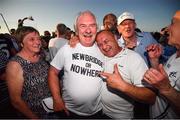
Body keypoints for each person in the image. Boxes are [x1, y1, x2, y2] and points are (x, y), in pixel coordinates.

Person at [48, 10, 104, 119]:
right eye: (83, 26)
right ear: (76, 30)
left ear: (96, 29)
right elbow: (52, 72)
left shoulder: (104, 50)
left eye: (92, 25)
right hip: (69, 112)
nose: (88, 30)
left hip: (97, 113)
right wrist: (57, 99)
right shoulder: (67, 48)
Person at [95, 30, 156, 119]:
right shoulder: (100, 56)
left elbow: (150, 96)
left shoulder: (133, 58)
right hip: (99, 112)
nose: (104, 47)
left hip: (120, 117)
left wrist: (123, 86)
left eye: (106, 41)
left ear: (116, 38)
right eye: (100, 45)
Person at [6, 26, 51, 119]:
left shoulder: (40, 55)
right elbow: (16, 101)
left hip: (51, 108)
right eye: (32, 39)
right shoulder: (15, 65)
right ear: (21, 43)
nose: (38, 42)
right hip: (34, 113)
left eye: (39, 38)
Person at [143, 10, 180, 119]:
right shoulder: (174, 56)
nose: (167, 28)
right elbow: (161, 80)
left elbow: (165, 86)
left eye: (173, 23)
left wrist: (167, 89)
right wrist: (154, 60)